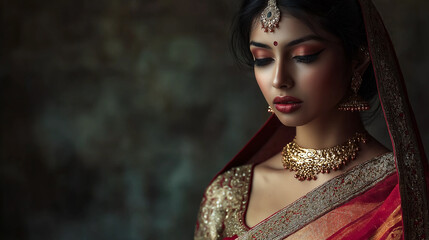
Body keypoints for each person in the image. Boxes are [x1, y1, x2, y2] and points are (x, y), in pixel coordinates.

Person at [194, 0, 429, 239]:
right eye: (263, 59)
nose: (279, 80)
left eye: (304, 56)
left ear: (357, 61)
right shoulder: (227, 196)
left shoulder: (401, 196)